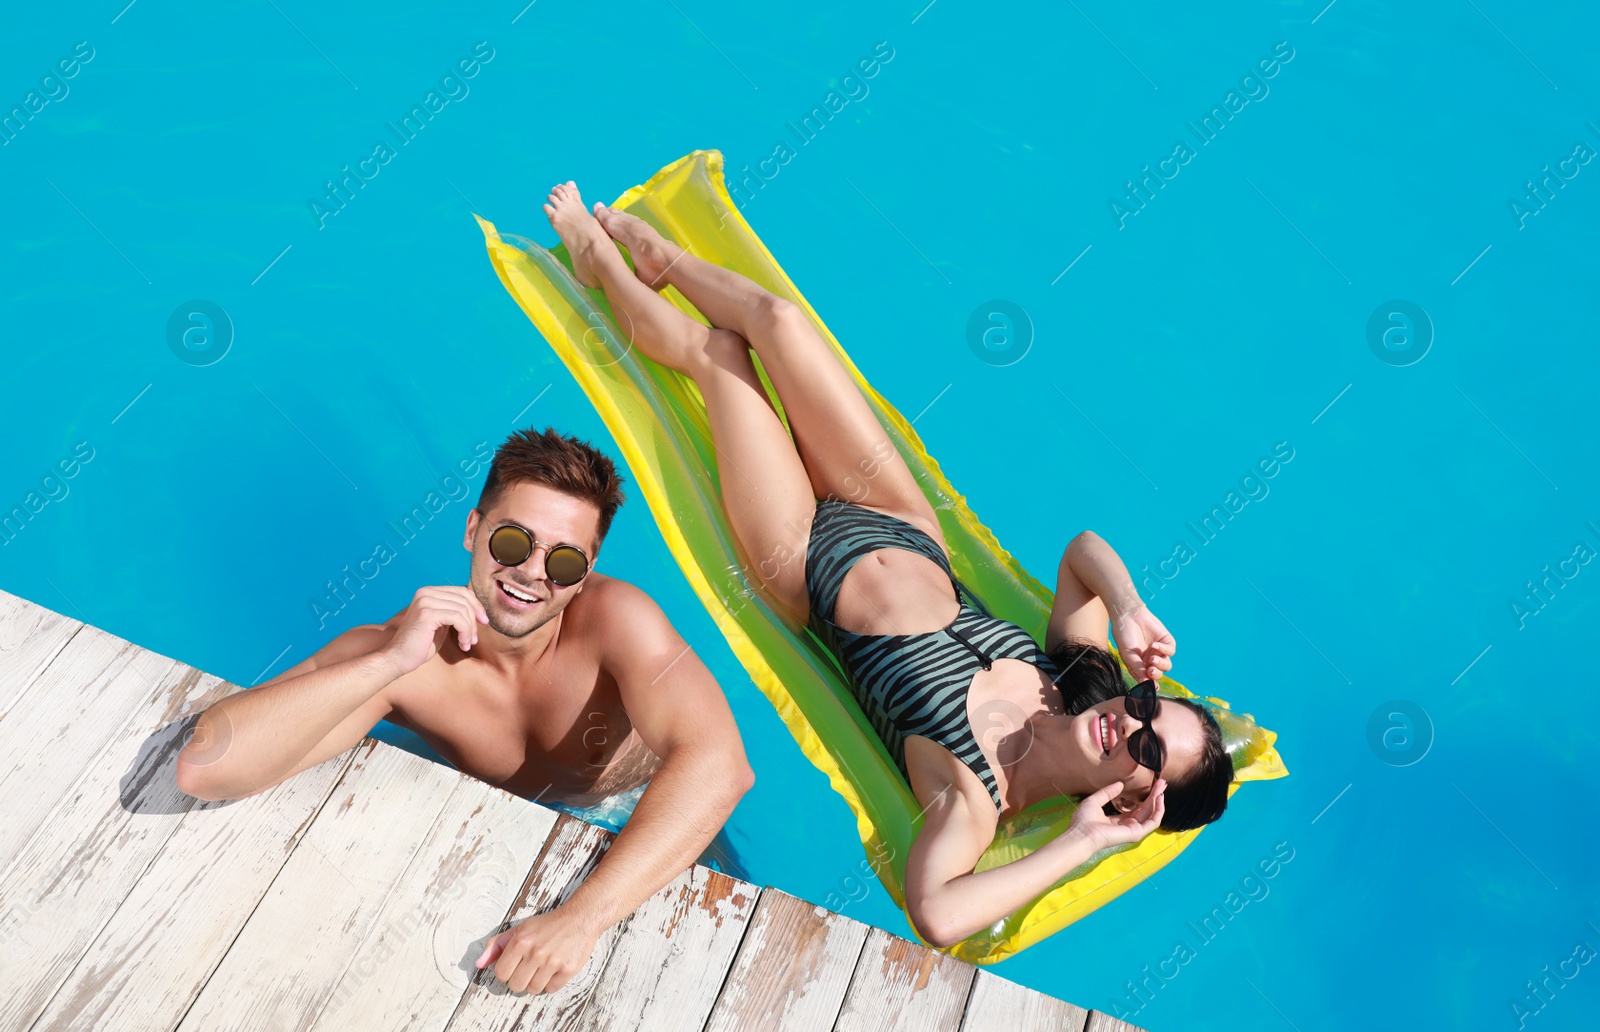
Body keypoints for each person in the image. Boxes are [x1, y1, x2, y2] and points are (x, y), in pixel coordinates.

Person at [536, 180, 1233, 950]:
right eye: (1146, 708)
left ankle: (599, 262)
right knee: (778, 322)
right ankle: (663, 259)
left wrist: (1084, 843)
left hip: (803, 559)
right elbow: (1082, 552)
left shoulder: (975, 795)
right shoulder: (1080, 678)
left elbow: (935, 913)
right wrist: (1130, 607)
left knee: (720, 356)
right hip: (900, 521)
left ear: (1136, 796)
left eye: (1145, 748)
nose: (1126, 723)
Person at [176, 426, 755, 991]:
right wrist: (386, 666)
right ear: (473, 529)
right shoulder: (401, 655)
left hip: (645, 811)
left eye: (565, 563)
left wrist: (582, 918)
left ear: (586, 575)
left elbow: (720, 766)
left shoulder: (617, 623)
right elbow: (204, 767)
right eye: (513, 542)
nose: (532, 572)